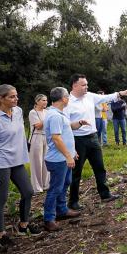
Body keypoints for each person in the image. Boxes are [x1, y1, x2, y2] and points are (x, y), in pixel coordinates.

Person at [0, 84, 39, 249]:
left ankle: (23, 225)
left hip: (17, 160)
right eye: (12, 97)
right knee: (1, 199)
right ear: (0, 99)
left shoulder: (18, 111)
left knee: (28, 192)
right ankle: (0, 235)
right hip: (2, 163)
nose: (16, 99)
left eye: (16, 96)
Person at [66, 74, 127, 210]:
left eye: (87, 84)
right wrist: (70, 148)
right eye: (83, 85)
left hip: (93, 138)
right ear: (74, 85)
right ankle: (73, 201)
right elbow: (65, 126)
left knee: (100, 168)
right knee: (76, 172)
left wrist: (121, 93)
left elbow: (105, 98)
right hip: (77, 140)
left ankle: (105, 194)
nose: (86, 87)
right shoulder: (67, 102)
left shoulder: (90, 96)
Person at [42, 87, 86, 231]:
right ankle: (49, 219)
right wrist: (68, 156)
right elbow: (56, 138)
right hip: (58, 159)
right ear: (63, 99)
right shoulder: (54, 116)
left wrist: (79, 123)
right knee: (55, 188)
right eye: (67, 96)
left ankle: (62, 210)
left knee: (65, 182)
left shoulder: (59, 114)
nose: (69, 98)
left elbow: (67, 130)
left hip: (65, 156)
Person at [28, 94, 50, 193]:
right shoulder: (33, 112)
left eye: (46, 100)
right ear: (37, 101)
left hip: (47, 137)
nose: (45, 102)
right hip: (37, 137)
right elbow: (38, 126)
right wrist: (49, 119)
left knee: (46, 162)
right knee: (37, 162)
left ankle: (46, 184)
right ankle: (37, 187)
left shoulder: (47, 112)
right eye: (43, 100)